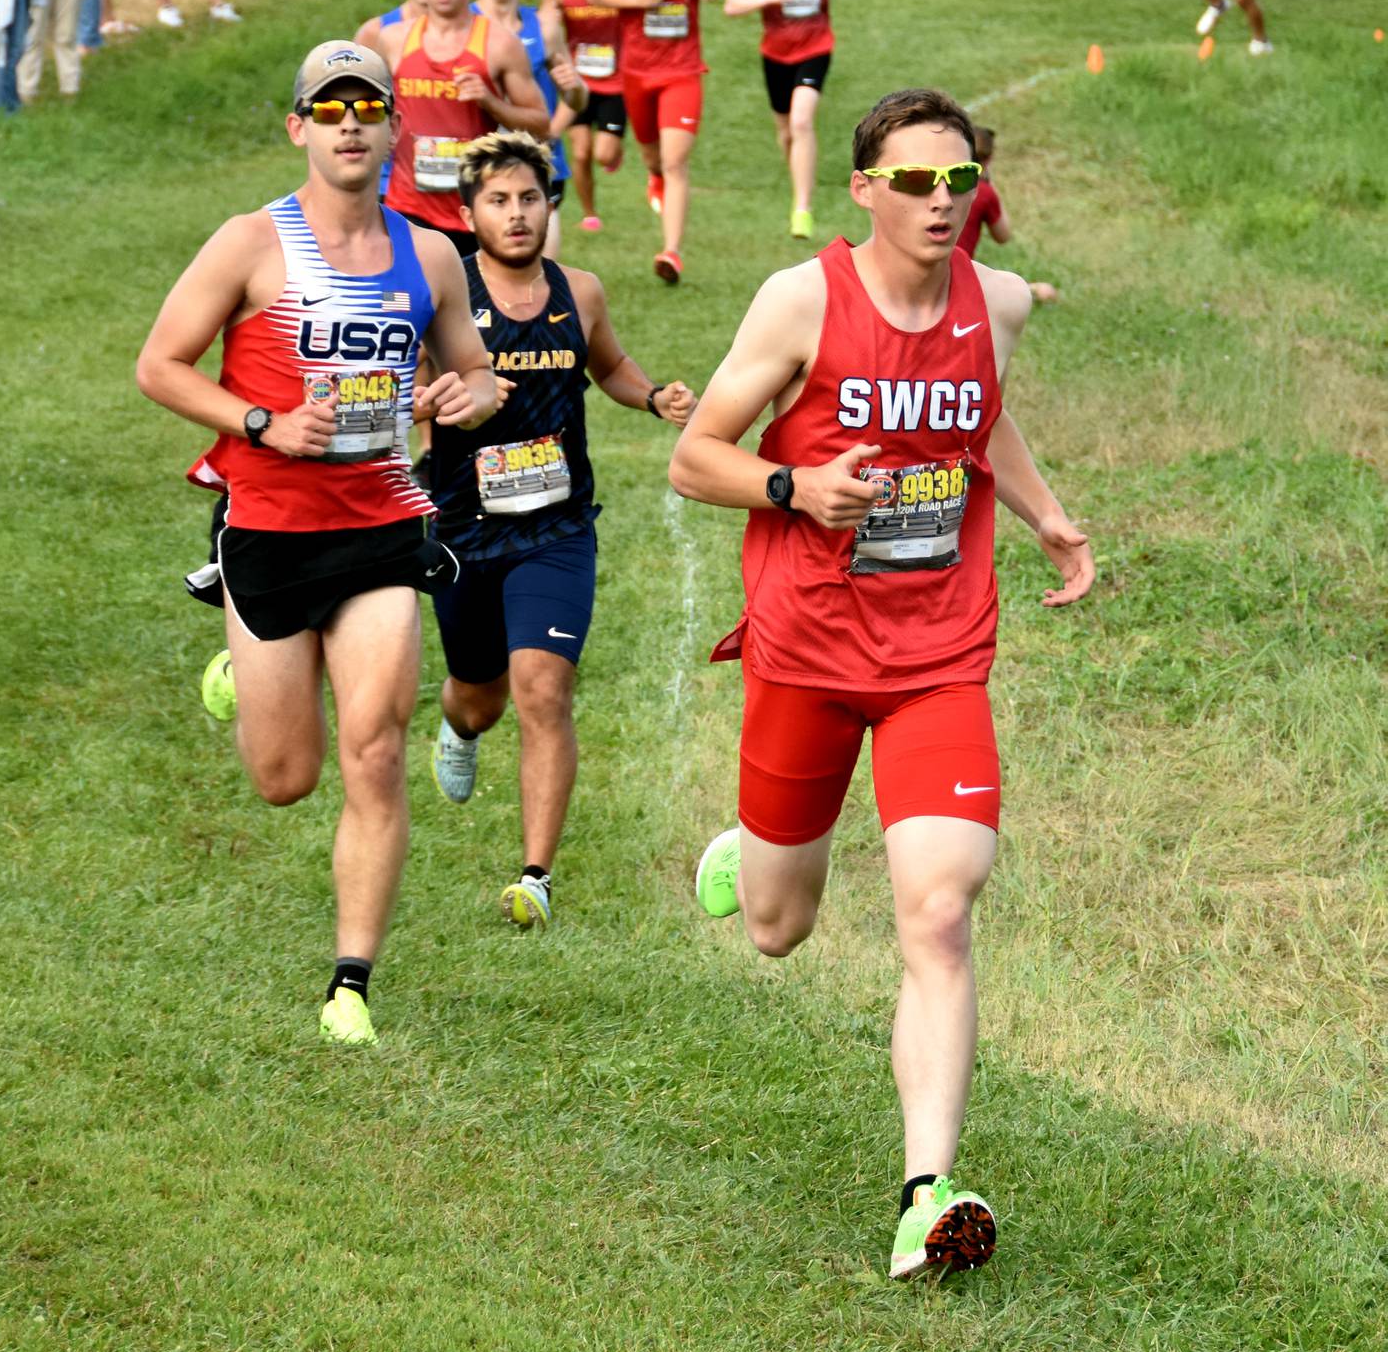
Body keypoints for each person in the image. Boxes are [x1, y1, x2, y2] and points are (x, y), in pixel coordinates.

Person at [668, 85, 1095, 1282]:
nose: (941, 202)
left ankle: (927, 1192)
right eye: (915, 181)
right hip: (807, 646)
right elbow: (695, 454)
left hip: (937, 656)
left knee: (941, 907)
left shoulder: (992, 304)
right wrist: (793, 490)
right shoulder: (803, 299)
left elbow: (981, 425)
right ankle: (752, 843)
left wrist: (1050, 520)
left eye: (960, 181)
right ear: (864, 189)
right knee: (775, 926)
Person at [138, 39, 500, 1048]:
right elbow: (160, 366)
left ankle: (351, 982)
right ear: (299, 126)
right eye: (329, 107)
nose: (350, 123)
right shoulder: (251, 244)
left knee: (376, 748)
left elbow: (473, 376)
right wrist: (262, 424)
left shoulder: (430, 255)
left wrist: (459, 394)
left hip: (383, 530)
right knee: (284, 775)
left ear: (393, 127)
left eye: (368, 107)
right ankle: (249, 662)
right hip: (269, 531)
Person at [414, 130, 697, 928]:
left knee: (544, 688)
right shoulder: (444, 294)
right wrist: (440, 400)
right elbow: (407, 392)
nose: (515, 215)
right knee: (483, 696)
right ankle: (458, 727)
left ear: (550, 207)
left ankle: (536, 876)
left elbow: (605, 365)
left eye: (529, 199)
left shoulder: (582, 291)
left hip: (557, 527)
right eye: (498, 201)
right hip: (466, 529)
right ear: (468, 212)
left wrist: (651, 398)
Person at [358, 0, 548, 254]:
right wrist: (375, 134)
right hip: (407, 206)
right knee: (408, 305)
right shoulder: (392, 40)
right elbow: (362, 107)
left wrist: (490, 102)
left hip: (474, 211)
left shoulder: (499, 44)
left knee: (470, 307)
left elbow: (541, 125)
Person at [587, 0, 727, 284]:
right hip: (637, 69)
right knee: (652, 155)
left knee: (676, 159)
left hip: (683, 69)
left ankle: (671, 252)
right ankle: (653, 177)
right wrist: (633, 0)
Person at [723, 0, 862, 239]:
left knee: (802, 122)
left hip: (816, 47)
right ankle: (799, 174)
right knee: (786, 132)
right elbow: (732, 4)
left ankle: (802, 209)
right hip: (775, 52)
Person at [472, 0, 587, 255]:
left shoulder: (545, 26)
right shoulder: (460, 26)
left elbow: (576, 97)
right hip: (479, 163)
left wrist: (571, 92)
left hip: (539, 161)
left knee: (541, 270)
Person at [540, 0, 624, 232]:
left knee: (604, 154)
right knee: (581, 149)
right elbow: (547, 29)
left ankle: (613, 154)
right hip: (576, 82)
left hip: (615, 80)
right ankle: (590, 213)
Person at [958, 123, 1058, 299]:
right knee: (1042, 291)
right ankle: (1032, 290)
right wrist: (991, 184)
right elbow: (1003, 235)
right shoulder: (984, 192)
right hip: (957, 275)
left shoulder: (940, 186)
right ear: (988, 160)